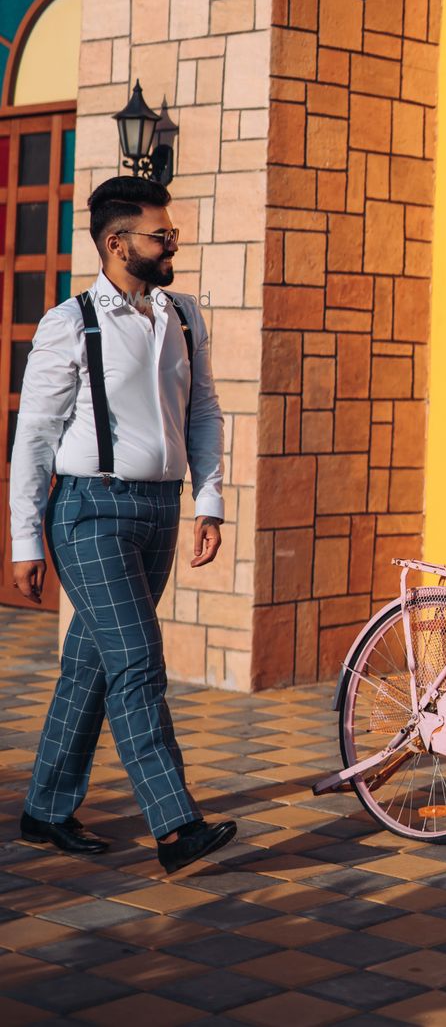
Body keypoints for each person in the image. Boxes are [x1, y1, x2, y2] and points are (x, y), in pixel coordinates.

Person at [10, 175, 236, 874]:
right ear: (117, 243)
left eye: (172, 233)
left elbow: (203, 414)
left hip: (158, 512)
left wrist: (210, 501)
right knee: (138, 661)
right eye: (159, 234)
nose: (173, 243)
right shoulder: (69, 322)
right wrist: (24, 539)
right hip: (88, 511)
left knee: (92, 666)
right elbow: (35, 437)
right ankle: (175, 826)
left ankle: (45, 810)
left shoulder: (184, 316)